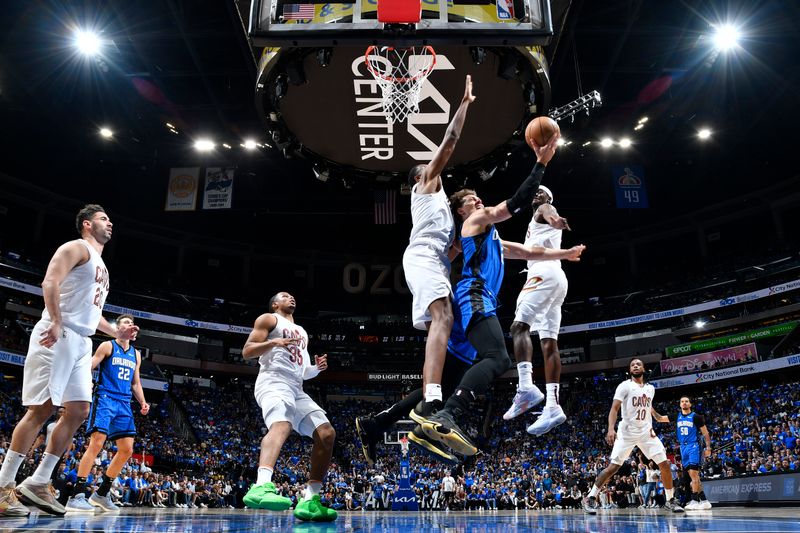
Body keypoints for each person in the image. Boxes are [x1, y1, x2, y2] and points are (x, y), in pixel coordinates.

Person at [417, 133, 586, 455]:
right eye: (471, 201)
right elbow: (515, 203)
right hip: (474, 294)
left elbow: (527, 251)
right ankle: (448, 413)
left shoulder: (490, 236)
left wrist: (564, 255)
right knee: (498, 357)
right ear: (462, 212)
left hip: (480, 299)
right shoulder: (477, 221)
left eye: (479, 198)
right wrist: (540, 163)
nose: (478, 201)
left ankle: (428, 414)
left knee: (486, 359)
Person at [0, 204, 137, 517]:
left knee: (78, 410)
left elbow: (93, 313)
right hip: (58, 333)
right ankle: (3, 484)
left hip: (82, 340)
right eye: (104, 218)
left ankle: (37, 482)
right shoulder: (76, 247)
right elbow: (50, 282)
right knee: (42, 408)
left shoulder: (101, 264)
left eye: (110, 218)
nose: (110, 222)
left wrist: (117, 331)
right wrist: (57, 320)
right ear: (87, 224)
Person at [403, 74, 475, 417]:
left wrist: (460, 248)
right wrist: (463, 105)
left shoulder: (442, 206)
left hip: (434, 260)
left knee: (442, 325)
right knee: (443, 317)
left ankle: (432, 396)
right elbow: (449, 141)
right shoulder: (426, 184)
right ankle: (432, 396)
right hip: (422, 257)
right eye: (427, 168)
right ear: (420, 176)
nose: (435, 169)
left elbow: (448, 252)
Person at [241, 292, 337, 522]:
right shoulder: (269, 319)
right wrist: (273, 342)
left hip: (296, 387)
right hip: (273, 380)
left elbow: (303, 371)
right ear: (275, 303)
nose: (291, 298)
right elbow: (247, 351)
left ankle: (310, 500)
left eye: (293, 296)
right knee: (282, 424)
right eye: (285, 296)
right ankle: (261, 485)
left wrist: (317, 368)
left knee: (326, 433)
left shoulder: (302, 331)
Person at [504, 185, 573, 435]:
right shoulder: (533, 228)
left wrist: (557, 221)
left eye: (542, 192)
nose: (537, 194)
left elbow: (552, 216)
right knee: (549, 343)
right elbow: (520, 252)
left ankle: (526, 387)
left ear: (549, 198)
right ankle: (553, 405)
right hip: (556, 278)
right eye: (535, 191)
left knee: (518, 327)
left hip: (543, 274)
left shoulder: (544, 210)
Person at [65, 314, 150, 512]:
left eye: (132, 322)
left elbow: (135, 383)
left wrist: (143, 402)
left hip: (124, 402)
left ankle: (101, 494)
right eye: (126, 322)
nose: (130, 325)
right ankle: (76, 495)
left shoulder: (136, 354)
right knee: (96, 443)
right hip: (105, 398)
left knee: (127, 450)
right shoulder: (107, 346)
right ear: (118, 327)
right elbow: (90, 366)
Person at [582, 358, 684, 514]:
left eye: (638, 364)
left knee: (664, 464)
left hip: (646, 432)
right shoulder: (624, 386)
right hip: (627, 432)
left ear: (644, 368)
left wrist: (660, 418)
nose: (636, 366)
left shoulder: (650, 389)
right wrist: (611, 428)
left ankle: (670, 500)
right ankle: (590, 498)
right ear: (630, 370)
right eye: (632, 365)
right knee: (613, 467)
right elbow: (614, 409)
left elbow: (649, 409)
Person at [662, 396, 712, 510]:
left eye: (686, 401)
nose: (684, 403)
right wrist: (649, 409)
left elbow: (706, 433)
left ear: (690, 404)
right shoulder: (677, 416)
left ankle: (694, 500)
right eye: (682, 401)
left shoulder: (696, 417)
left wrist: (708, 447)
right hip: (683, 448)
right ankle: (704, 500)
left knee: (694, 475)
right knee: (692, 475)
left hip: (693, 446)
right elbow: (660, 418)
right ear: (680, 404)